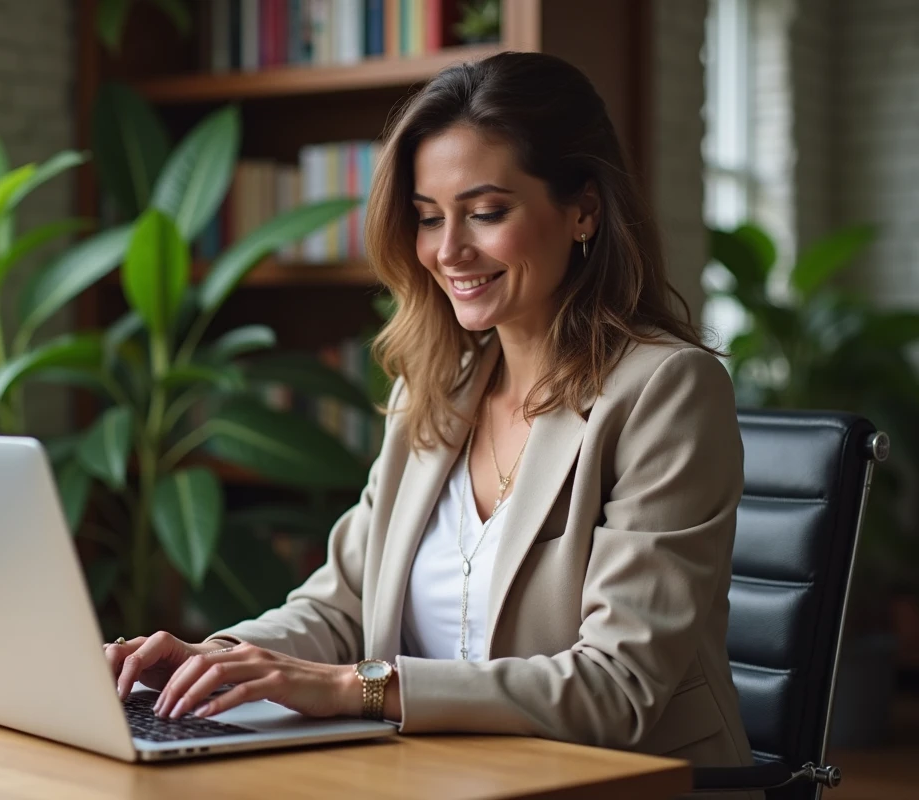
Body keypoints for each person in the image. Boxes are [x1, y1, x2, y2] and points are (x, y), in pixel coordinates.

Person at [105, 50, 756, 780]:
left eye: (486, 213)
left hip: (610, 782)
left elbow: (617, 686)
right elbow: (342, 605)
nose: (449, 251)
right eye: (427, 218)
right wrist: (213, 659)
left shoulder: (667, 390)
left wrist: (355, 688)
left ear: (583, 210)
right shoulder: (436, 389)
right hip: (432, 775)